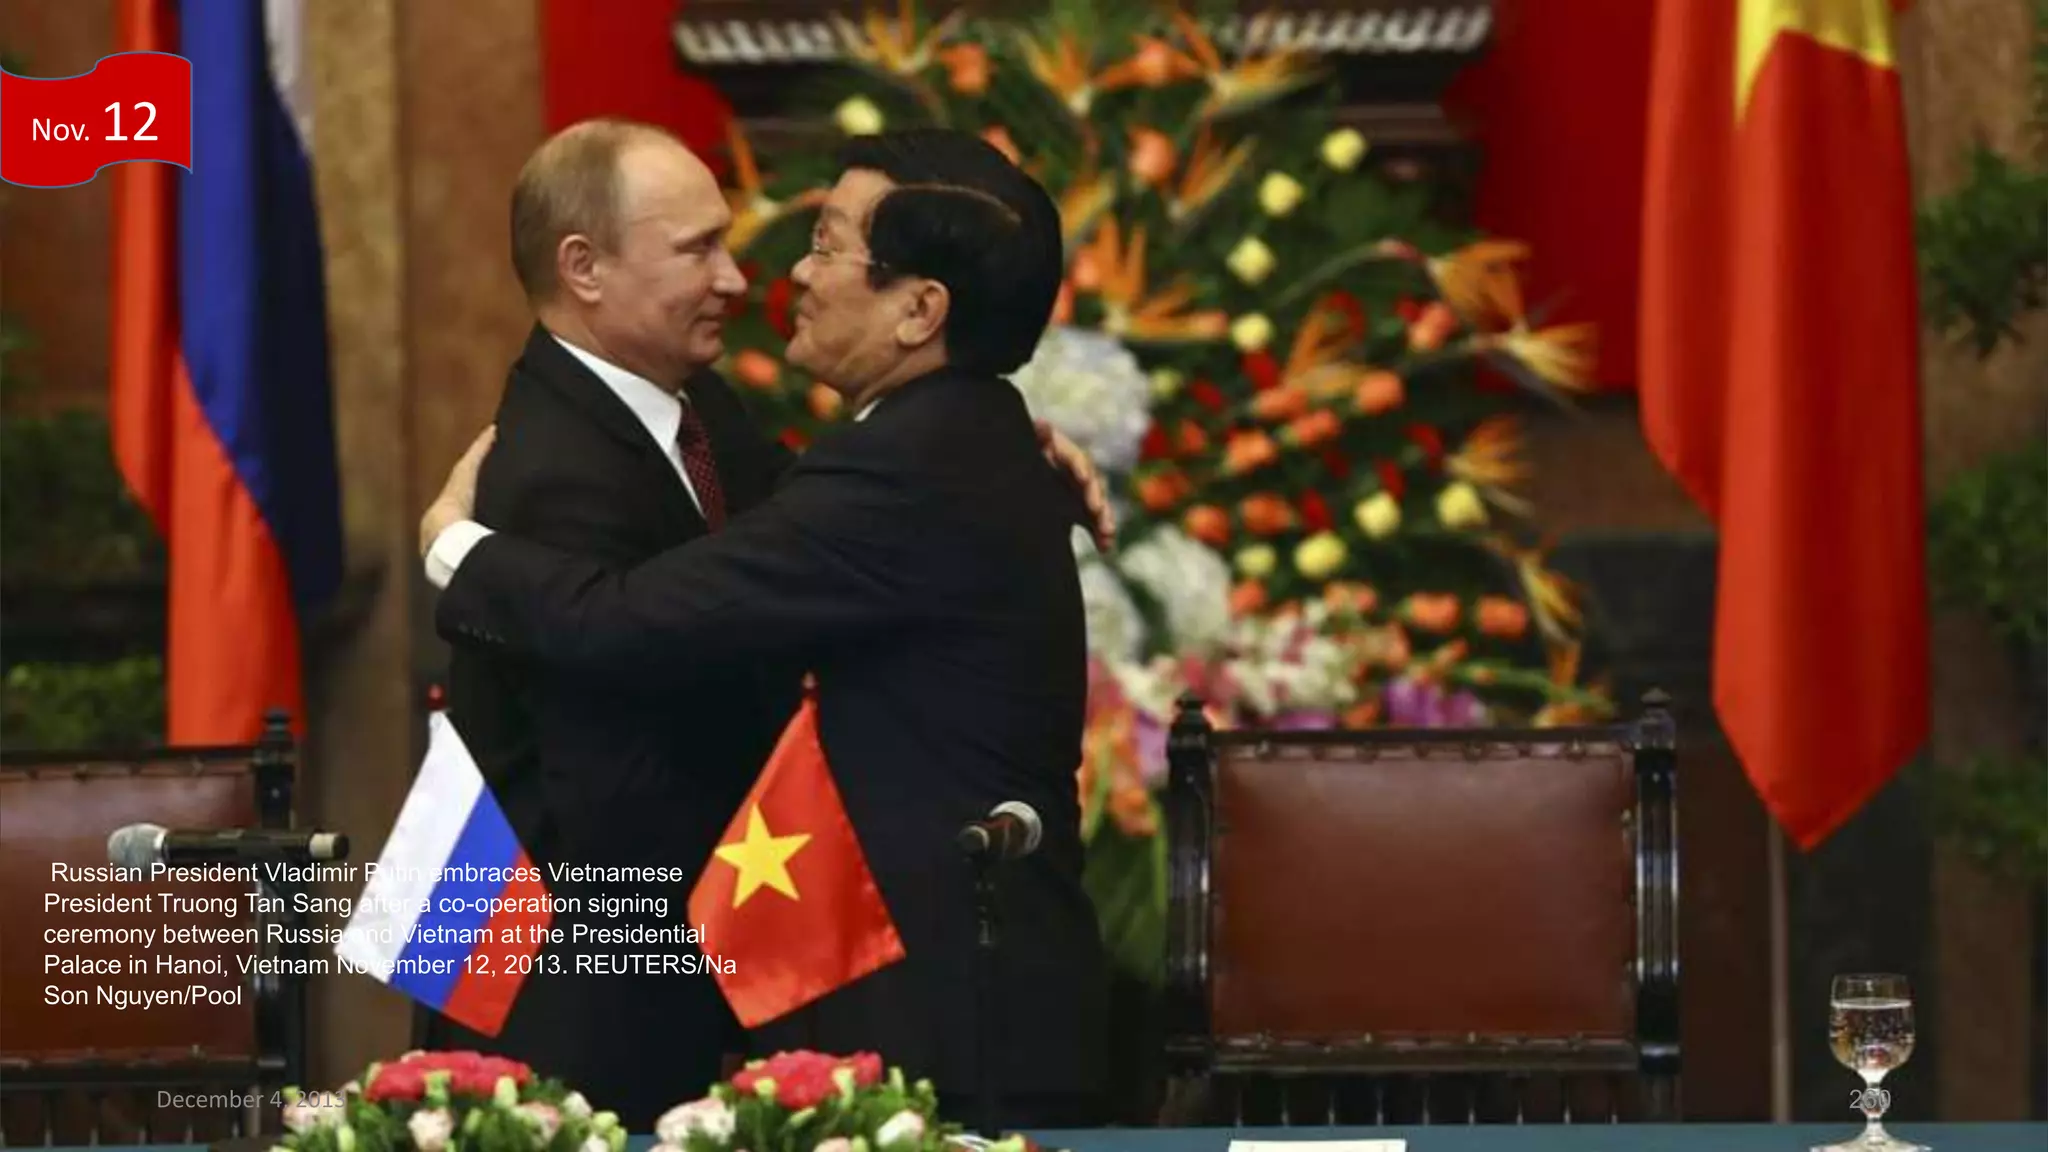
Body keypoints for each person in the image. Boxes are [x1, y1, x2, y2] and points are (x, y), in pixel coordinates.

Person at [426, 119, 1111, 1130]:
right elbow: (608, 748)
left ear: (920, 310)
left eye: (826, 245)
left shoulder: (885, 449)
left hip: (957, 1007)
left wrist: (453, 548)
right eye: (698, 248)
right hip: (559, 976)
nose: (759, 277)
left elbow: (639, 614)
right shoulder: (560, 459)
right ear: (583, 269)